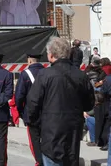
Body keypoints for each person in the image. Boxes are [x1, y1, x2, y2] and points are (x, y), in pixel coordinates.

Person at [27, 37, 94, 165]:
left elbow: (33, 103)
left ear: (51, 55)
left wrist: (36, 123)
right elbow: (89, 103)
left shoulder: (45, 75)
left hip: (51, 132)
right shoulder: (80, 75)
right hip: (72, 132)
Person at [14, 51, 45, 166]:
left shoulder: (25, 74)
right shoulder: (47, 72)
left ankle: (39, 162)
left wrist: (21, 111)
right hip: (47, 112)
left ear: (29, 60)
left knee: (34, 140)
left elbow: (19, 96)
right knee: (46, 139)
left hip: (32, 112)